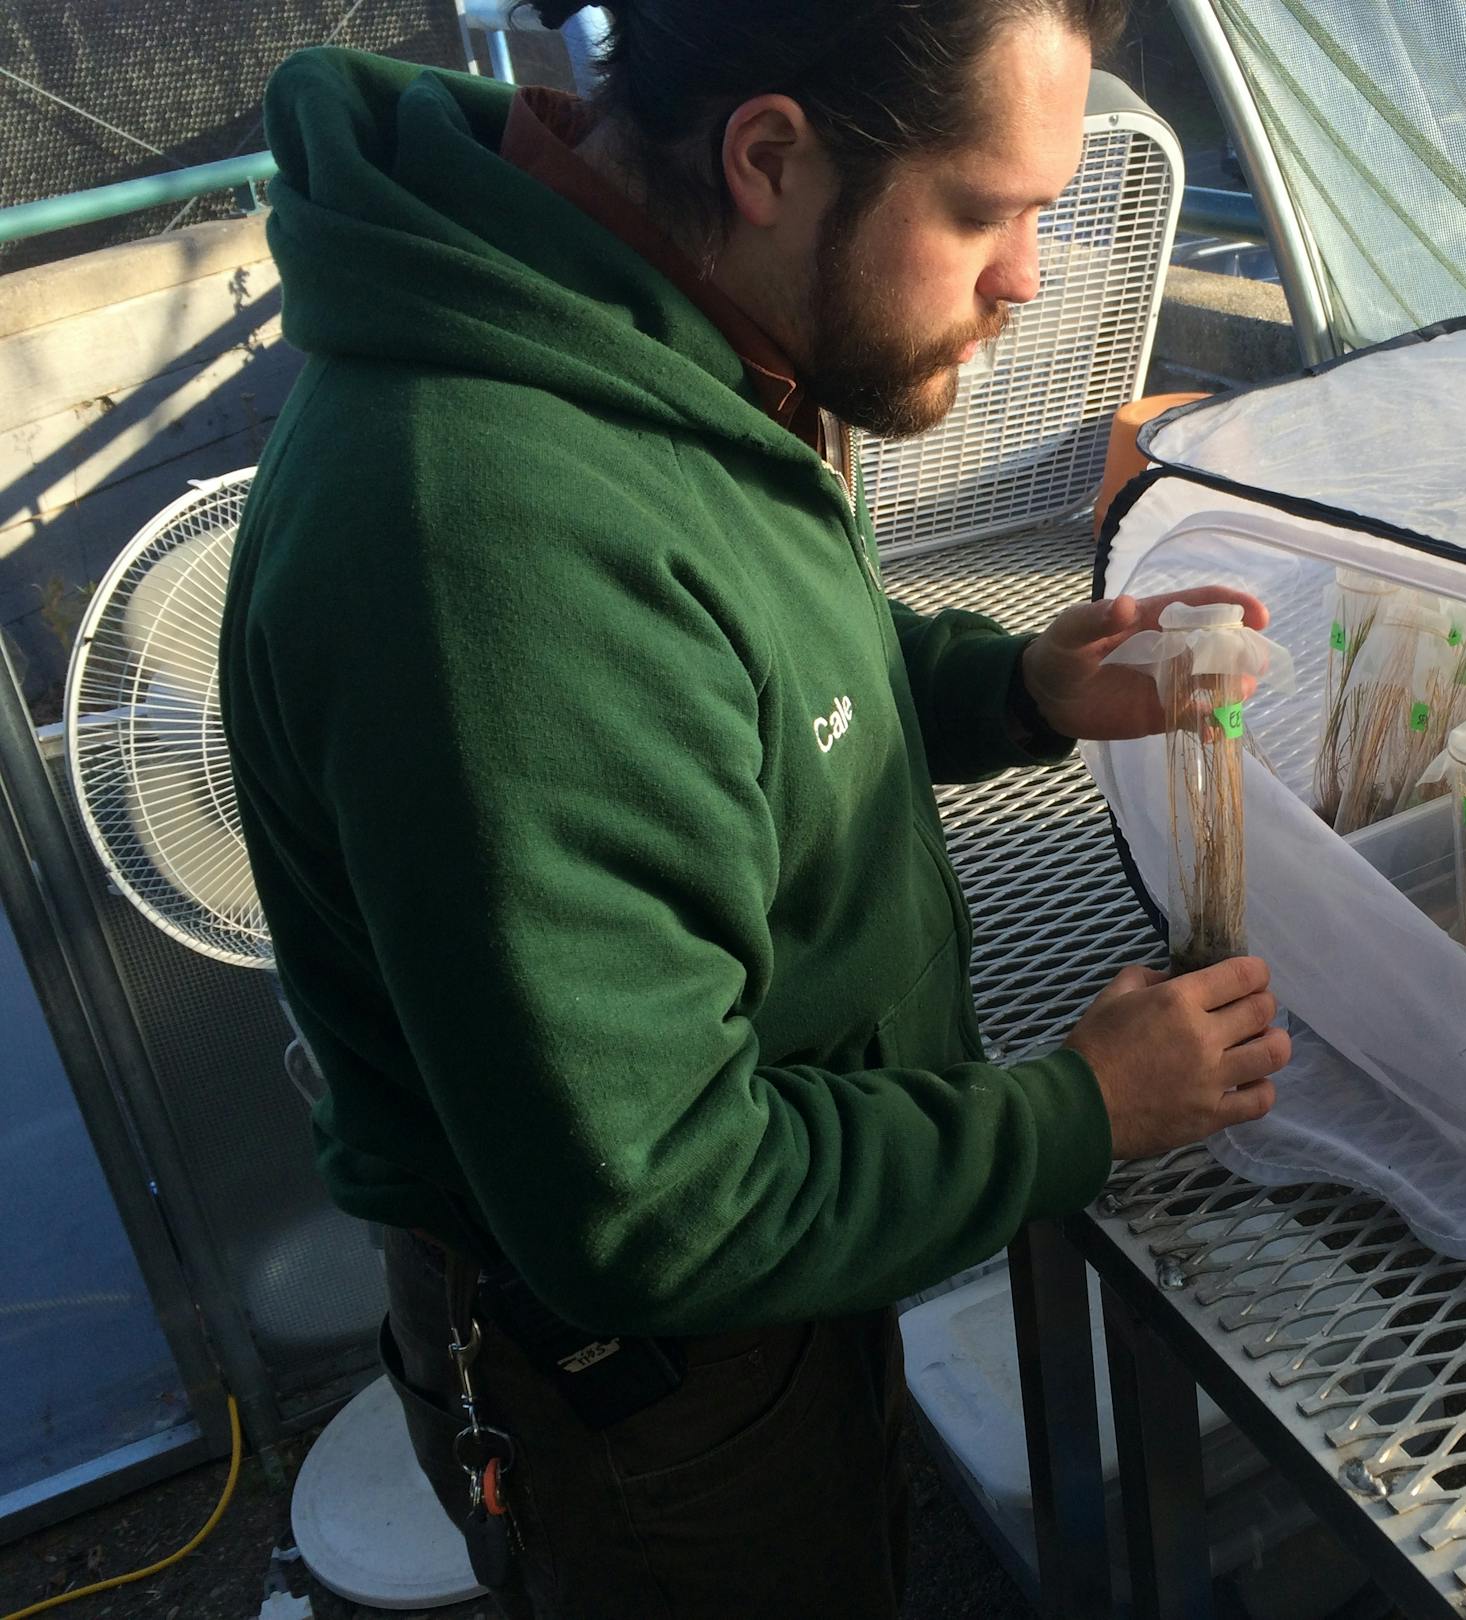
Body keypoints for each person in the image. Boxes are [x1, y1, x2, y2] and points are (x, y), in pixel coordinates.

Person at [218, 3, 1291, 1614]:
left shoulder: (655, 320)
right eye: (982, 209)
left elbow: (750, 674)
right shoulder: (496, 544)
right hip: (647, 1382)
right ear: (771, 155)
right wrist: (1081, 1111)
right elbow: (662, 1199)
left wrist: (1009, 690)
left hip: (778, 1268)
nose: (1030, 279)